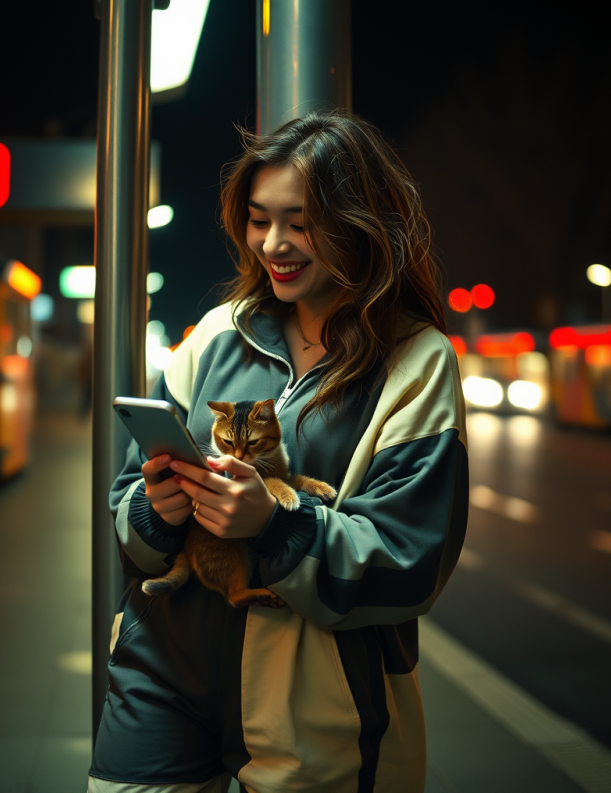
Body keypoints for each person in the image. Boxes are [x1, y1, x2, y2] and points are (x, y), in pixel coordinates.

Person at [88, 110, 468, 793]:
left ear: (359, 223)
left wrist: (273, 524)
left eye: (300, 222)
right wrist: (155, 510)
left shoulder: (417, 361)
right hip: (159, 678)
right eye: (259, 220)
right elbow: (124, 508)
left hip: (313, 710)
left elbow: (411, 562)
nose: (273, 243)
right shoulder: (215, 334)